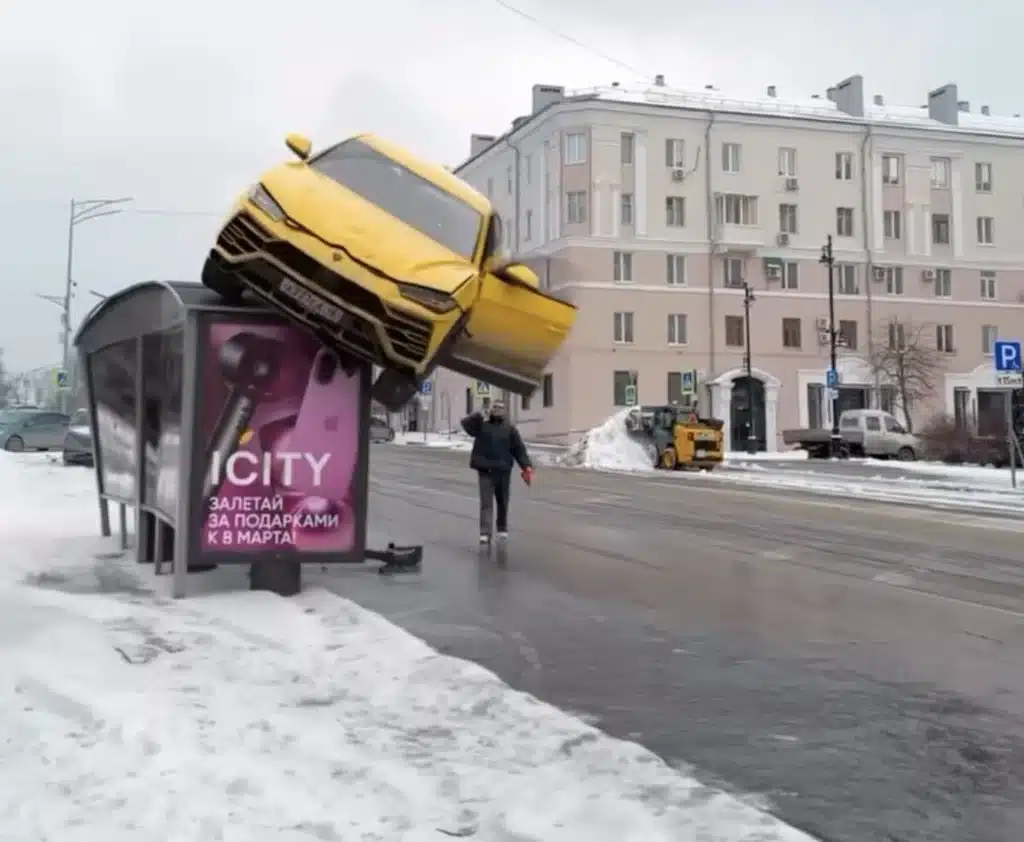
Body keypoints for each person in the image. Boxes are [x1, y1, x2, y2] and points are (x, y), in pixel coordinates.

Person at [461, 400, 533, 543]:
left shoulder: (510, 429)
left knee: (502, 501)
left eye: (501, 408)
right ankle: (485, 532)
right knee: (486, 503)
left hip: (502, 471)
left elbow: (519, 449)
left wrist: (526, 466)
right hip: (485, 470)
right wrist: (479, 414)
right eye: (495, 408)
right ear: (491, 410)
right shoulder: (481, 425)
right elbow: (466, 425)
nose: (498, 410)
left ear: (505, 411)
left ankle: (502, 528)